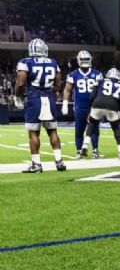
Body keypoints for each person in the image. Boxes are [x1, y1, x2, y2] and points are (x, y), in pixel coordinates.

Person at [15, 39, 66, 173]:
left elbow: (21, 83)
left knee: (33, 133)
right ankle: (59, 161)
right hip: (49, 98)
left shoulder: (25, 62)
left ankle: (36, 164)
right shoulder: (53, 62)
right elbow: (58, 84)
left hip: (34, 98)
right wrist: (48, 90)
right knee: (52, 131)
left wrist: (17, 96)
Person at [80, 68, 120, 160]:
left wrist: (91, 107)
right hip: (112, 106)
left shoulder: (100, 81)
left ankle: (85, 146)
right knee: (116, 129)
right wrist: (117, 108)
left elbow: (92, 97)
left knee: (92, 124)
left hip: (97, 104)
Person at [62, 50, 103, 159]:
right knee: (79, 129)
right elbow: (67, 90)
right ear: (79, 61)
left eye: (87, 59)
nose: (85, 61)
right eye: (83, 59)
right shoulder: (73, 74)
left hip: (94, 106)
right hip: (80, 106)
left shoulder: (97, 74)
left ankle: (95, 150)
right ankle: (79, 150)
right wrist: (65, 103)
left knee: (94, 128)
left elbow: (101, 90)